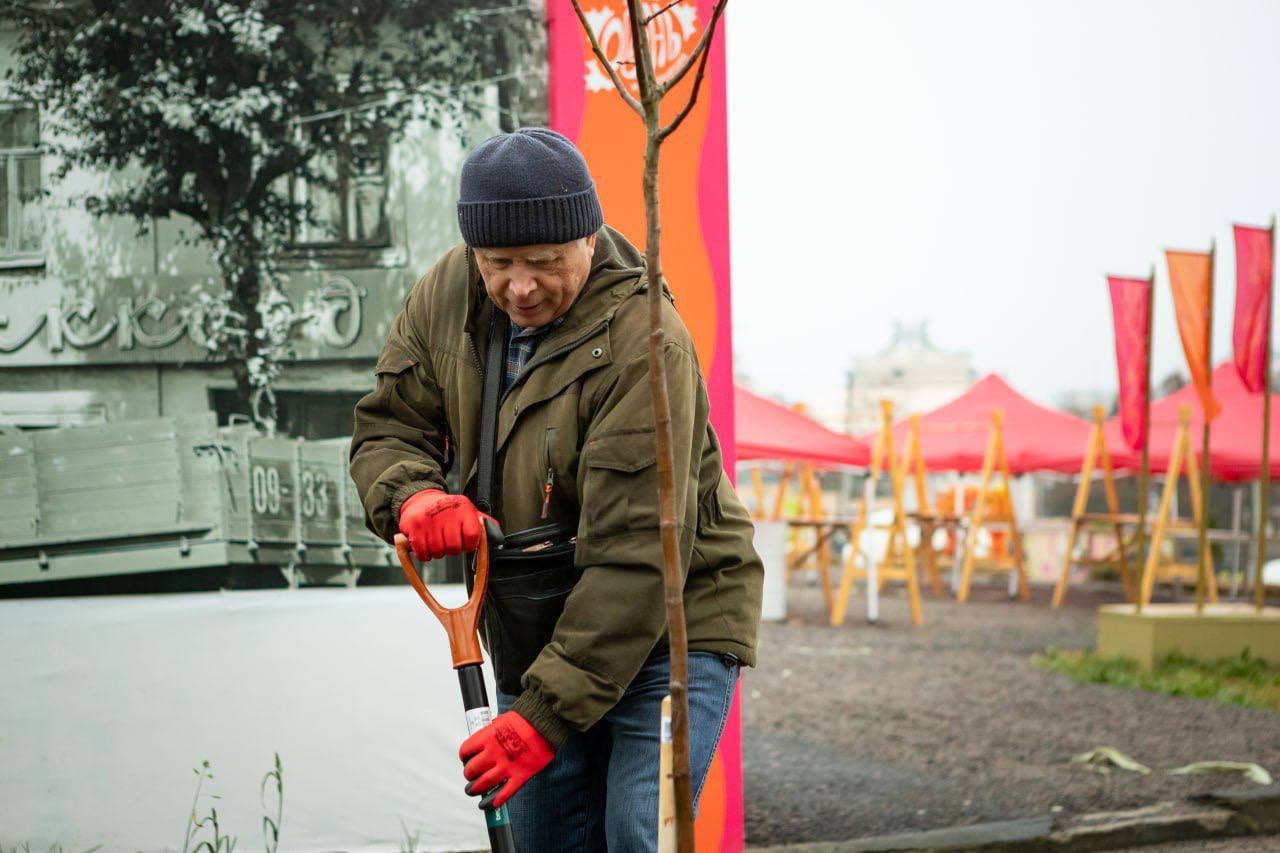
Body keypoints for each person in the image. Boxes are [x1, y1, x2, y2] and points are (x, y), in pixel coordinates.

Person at [349, 127, 762, 850]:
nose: (519, 286)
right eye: (498, 263)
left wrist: (540, 719)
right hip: (535, 630)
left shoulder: (647, 341)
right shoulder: (447, 294)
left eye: (543, 263)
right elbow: (390, 427)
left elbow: (636, 557)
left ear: (590, 237)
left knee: (634, 835)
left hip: (672, 621)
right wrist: (414, 495)